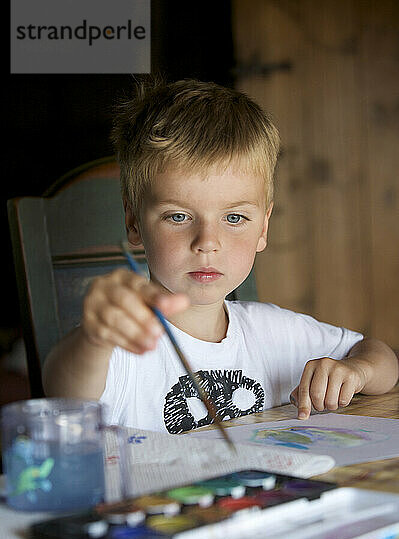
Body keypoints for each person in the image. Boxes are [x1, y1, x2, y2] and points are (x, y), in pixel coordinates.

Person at [43, 79, 398, 433]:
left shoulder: (274, 333)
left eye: (234, 218)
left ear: (263, 227)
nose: (207, 242)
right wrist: (95, 337)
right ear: (134, 221)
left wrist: (357, 371)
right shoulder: (119, 346)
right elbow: (66, 393)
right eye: (178, 217)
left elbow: (381, 358)